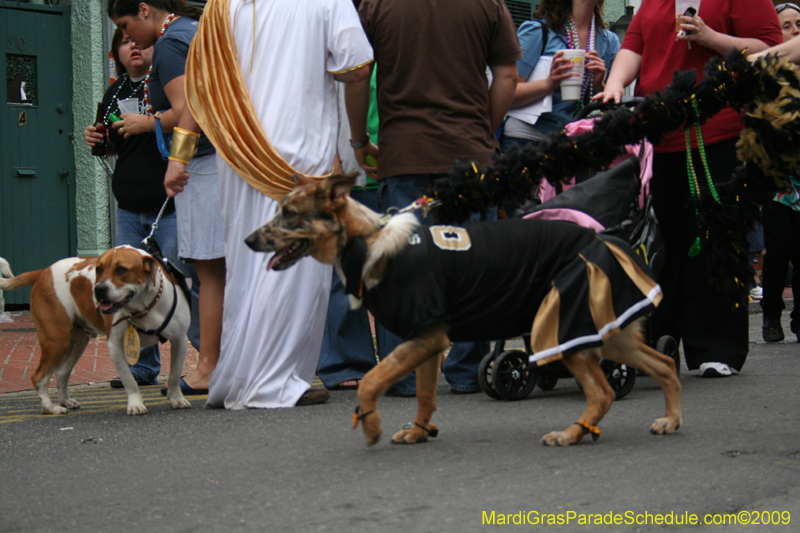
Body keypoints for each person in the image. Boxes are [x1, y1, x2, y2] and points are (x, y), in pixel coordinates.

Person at [163, 0, 374, 408]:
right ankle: (272, 382)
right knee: (290, 270)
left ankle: (239, 378)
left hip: (239, 155)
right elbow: (357, 68)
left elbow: (201, 88)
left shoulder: (223, 6)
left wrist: (179, 155)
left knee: (247, 269)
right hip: (299, 156)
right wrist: (357, 142)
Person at [597, 0, 782, 377]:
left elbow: (768, 50)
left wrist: (711, 37)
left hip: (720, 131)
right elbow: (634, 46)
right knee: (663, 242)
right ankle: (658, 341)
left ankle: (718, 347)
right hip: (662, 133)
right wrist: (615, 84)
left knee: (716, 239)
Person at [350, 0, 520, 394]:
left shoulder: (376, 5)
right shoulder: (489, 4)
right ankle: (468, 371)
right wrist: (482, 133)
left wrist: (359, 140)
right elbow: (507, 76)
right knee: (472, 262)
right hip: (469, 154)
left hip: (404, 152)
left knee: (403, 267)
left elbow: (358, 75)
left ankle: (403, 373)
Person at [107, 0, 226, 394]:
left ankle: (208, 365)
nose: (128, 38)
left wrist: (172, 150)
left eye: (126, 26)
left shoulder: (173, 42)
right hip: (224, 158)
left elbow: (188, 108)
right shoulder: (195, 28)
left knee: (206, 273)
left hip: (206, 161)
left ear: (145, 10)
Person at [84, 29, 198, 387]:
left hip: (171, 205)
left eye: (139, 40)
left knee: (183, 283)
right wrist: (99, 140)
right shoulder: (114, 91)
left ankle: (205, 360)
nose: (133, 46)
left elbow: (185, 119)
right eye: (124, 40)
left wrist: (148, 122)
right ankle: (143, 367)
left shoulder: (165, 82)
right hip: (130, 208)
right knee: (129, 289)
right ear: (115, 50)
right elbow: (118, 144)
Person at [500, 0, 619, 154]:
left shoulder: (609, 42)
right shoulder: (538, 31)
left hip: (573, 146)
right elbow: (504, 94)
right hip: (526, 141)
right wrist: (549, 83)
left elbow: (615, 106)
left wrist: (599, 86)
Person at [754, 2, 800, 343]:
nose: (795, 30)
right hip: (777, 179)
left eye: (799, 24)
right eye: (787, 25)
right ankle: (771, 314)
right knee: (779, 248)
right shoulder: (766, 74)